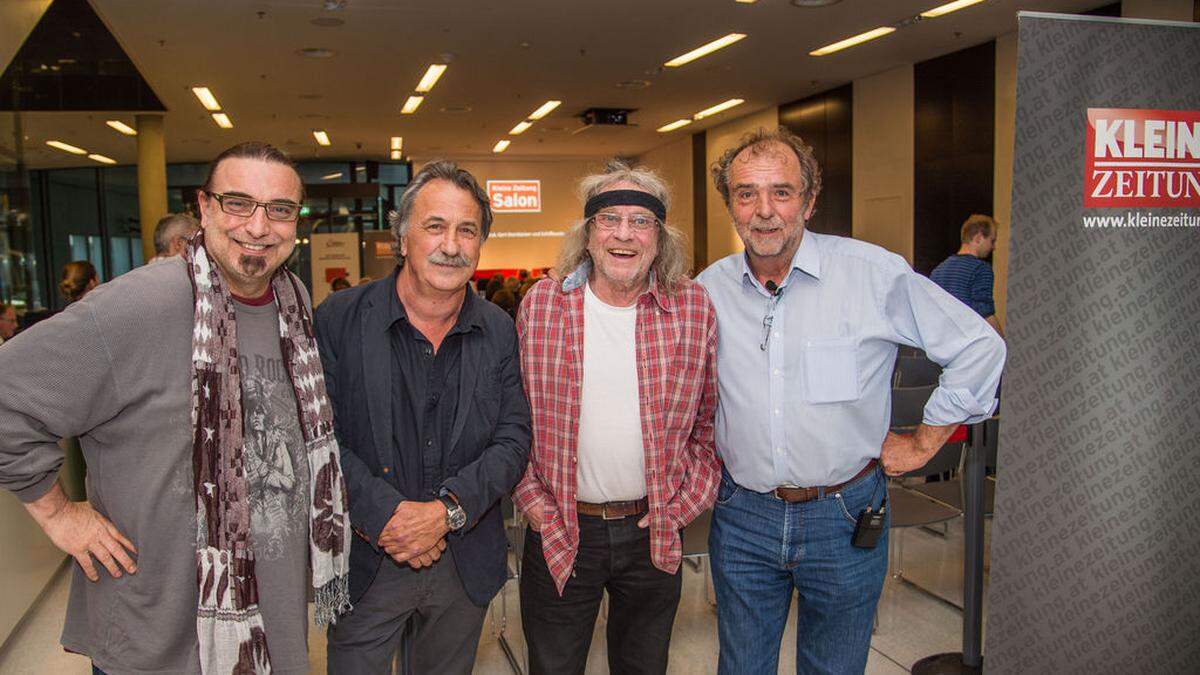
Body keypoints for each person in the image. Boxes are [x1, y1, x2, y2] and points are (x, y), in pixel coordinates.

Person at [0, 141, 351, 674]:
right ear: (204, 207)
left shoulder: (293, 299)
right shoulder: (141, 304)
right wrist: (59, 514)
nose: (259, 226)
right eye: (239, 203)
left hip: (270, 624)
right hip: (159, 635)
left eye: (279, 209)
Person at [696, 127, 1005, 675]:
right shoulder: (708, 290)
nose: (764, 210)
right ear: (730, 205)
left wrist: (925, 442)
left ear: (810, 202)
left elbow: (980, 346)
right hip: (741, 516)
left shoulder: (871, 274)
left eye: (782, 192)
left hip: (845, 515)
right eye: (746, 193)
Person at [316, 160, 531, 674]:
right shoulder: (340, 318)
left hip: (463, 560)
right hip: (367, 559)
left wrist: (446, 512)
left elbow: (514, 437)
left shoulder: (499, 328)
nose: (451, 245)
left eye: (467, 230)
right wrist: (388, 516)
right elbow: (319, 437)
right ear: (403, 236)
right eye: (435, 226)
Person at [514, 160, 720, 675]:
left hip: (652, 530)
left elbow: (709, 425)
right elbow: (510, 420)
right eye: (609, 219)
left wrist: (680, 507)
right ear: (587, 234)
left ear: (660, 237)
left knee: (644, 667)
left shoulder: (694, 308)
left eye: (640, 221)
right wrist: (534, 504)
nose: (624, 234)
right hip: (560, 526)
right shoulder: (542, 306)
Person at [931, 214, 1004, 336]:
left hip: (940, 344)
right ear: (978, 238)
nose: (993, 247)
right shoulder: (980, 269)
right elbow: (984, 310)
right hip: (967, 345)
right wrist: (1001, 341)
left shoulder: (938, 270)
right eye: (992, 240)